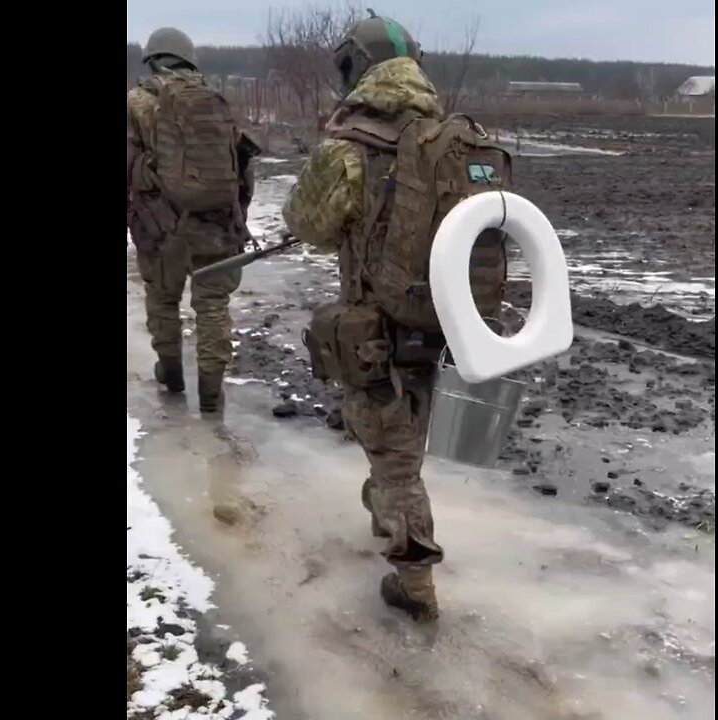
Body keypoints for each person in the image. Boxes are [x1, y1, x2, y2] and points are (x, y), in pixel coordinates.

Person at [283, 13, 511, 622]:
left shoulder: (350, 147)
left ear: (356, 66)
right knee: (399, 437)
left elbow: (305, 224)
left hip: (371, 325)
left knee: (393, 457)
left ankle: (415, 585)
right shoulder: (449, 139)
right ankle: (386, 511)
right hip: (434, 320)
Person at [127, 27, 257, 413]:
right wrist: (236, 215)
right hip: (216, 224)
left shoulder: (135, 103)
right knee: (213, 307)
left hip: (160, 228)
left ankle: (171, 375)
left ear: (151, 60)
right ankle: (212, 395)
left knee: (163, 302)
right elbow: (242, 170)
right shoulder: (215, 102)